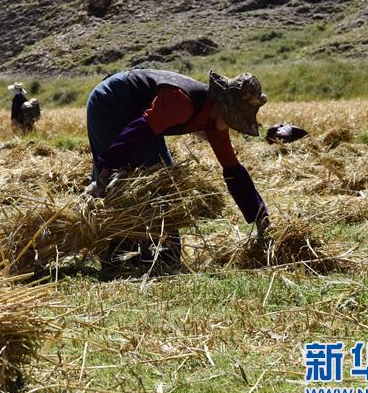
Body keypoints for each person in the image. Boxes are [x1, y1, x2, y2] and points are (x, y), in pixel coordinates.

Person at [85, 68, 270, 269]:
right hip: (111, 102)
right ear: (223, 107)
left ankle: (165, 254)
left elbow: (233, 169)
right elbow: (136, 134)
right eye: (234, 119)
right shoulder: (182, 102)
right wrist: (103, 176)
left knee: (165, 183)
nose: (233, 126)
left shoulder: (214, 120)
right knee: (130, 180)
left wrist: (260, 216)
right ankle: (118, 255)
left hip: (141, 115)